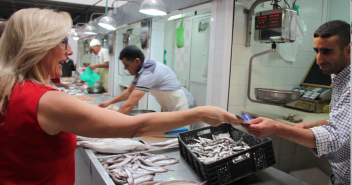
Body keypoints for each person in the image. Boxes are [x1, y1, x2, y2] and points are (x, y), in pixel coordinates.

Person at [0, 8, 242, 184]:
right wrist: (202, 112)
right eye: (64, 42)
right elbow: (134, 125)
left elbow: (131, 99)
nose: (70, 51)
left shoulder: (10, 88)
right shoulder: (46, 99)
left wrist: (107, 108)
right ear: (39, 46)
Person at [242, 20, 350, 185]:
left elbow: (334, 138)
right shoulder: (339, 76)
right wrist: (315, 124)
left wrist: (276, 128)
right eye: (317, 51)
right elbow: (343, 124)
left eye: (327, 51)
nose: (319, 59)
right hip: (338, 175)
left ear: (348, 50)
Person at [98, 45, 195, 116]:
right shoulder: (141, 69)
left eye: (126, 64)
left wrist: (112, 123)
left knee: (179, 138)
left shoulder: (148, 72)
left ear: (136, 61)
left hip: (183, 105)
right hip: (172, 107)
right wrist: (108, 103)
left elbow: (129, 105)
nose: (125, 68)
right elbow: (129, 91)